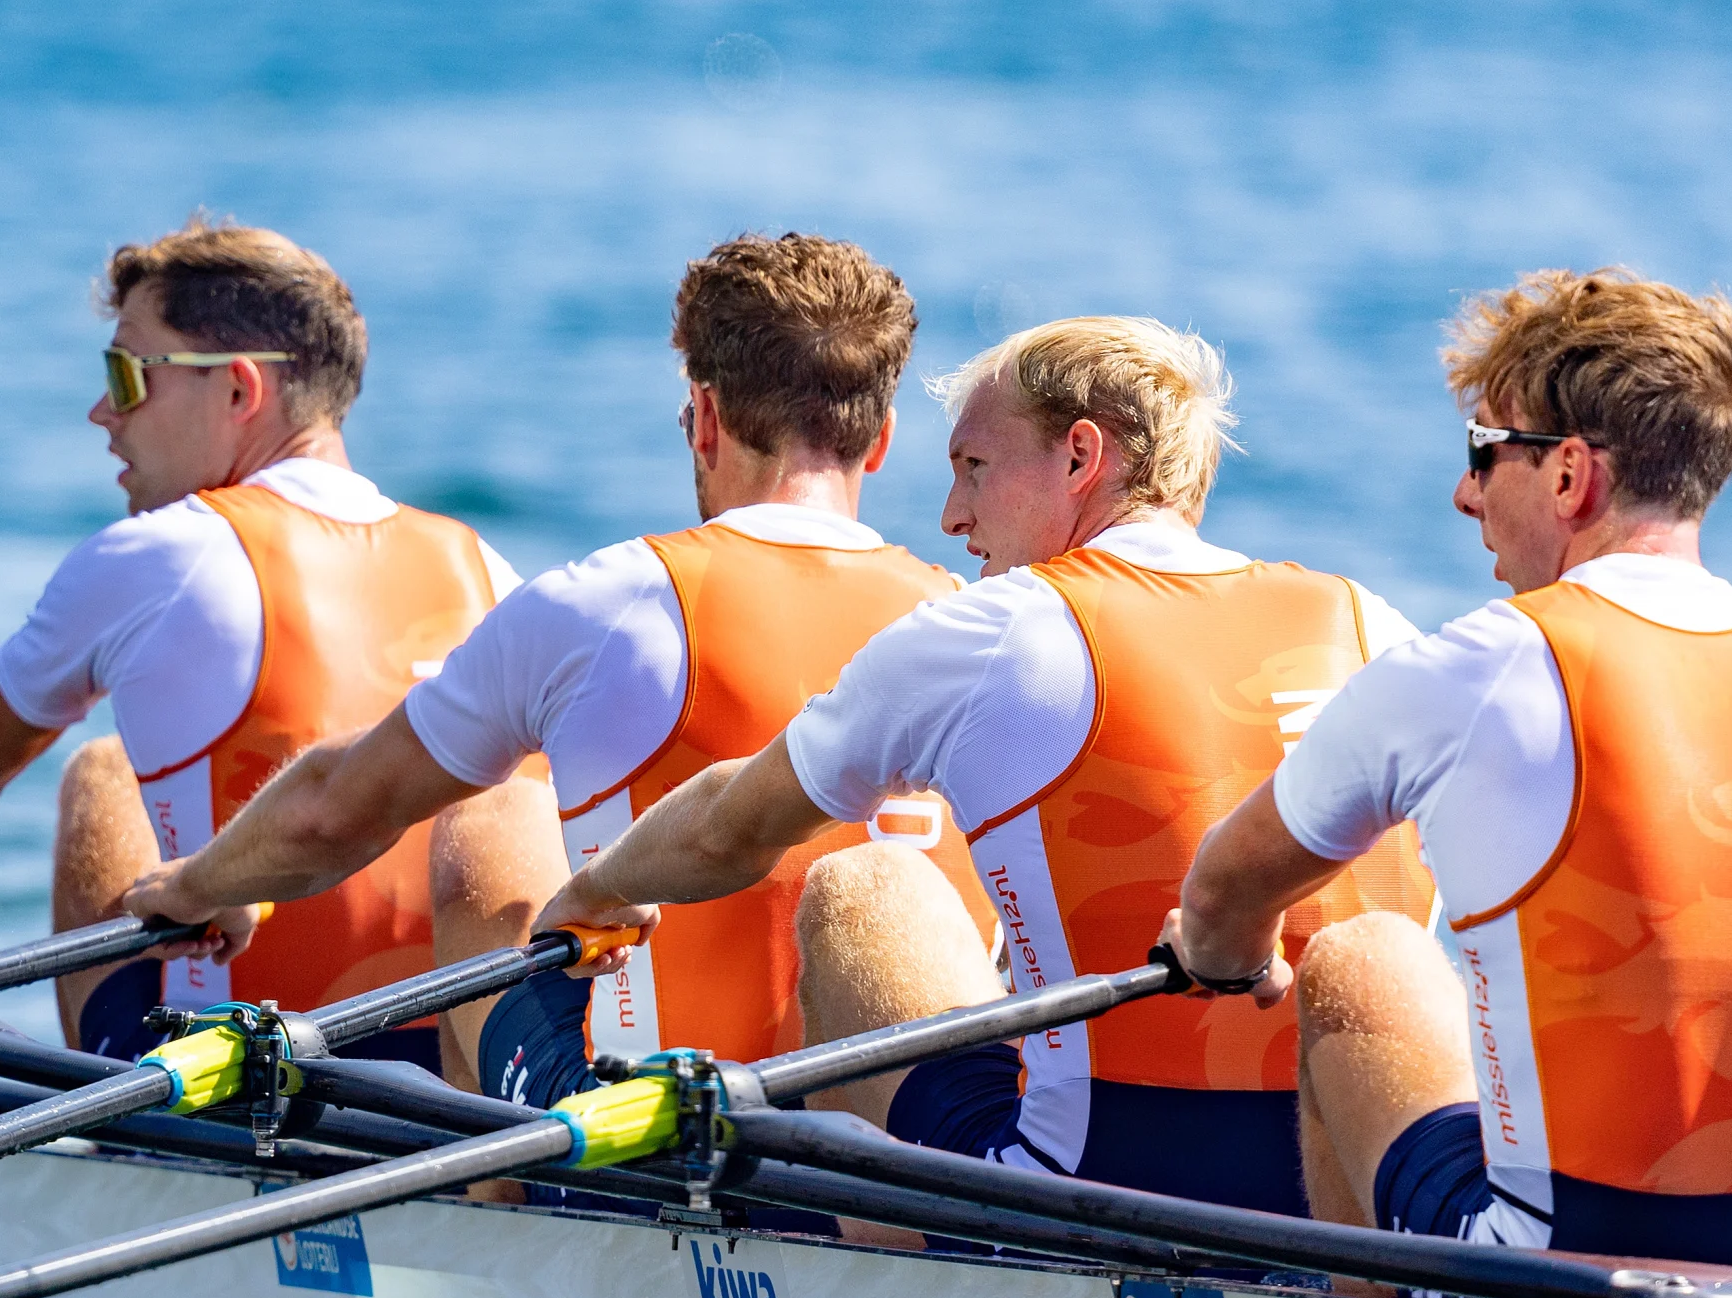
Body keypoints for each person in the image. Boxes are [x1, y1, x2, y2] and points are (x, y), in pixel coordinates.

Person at [537, 316, 1433, 1218]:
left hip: (1089, 1188)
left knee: (872, 886)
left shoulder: (1001, 627)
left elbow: (732, 826)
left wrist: (600, 887)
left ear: (1081, 456)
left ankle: (876, 1295)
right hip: (1349, 1195)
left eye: (975, 468)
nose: (951, 517)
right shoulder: (1373, 625)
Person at [1167, 270, 1732, 1275]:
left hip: (1554, 1276)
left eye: (1485, 453)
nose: (1464, 492)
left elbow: (1224, 891)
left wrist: (1225, 956)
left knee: (1365, 958)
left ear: (1572, 475)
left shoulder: (1472, 670)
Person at [119, 232, 989, 1103]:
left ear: (708, 415)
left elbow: (336, 811)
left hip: (657, 1158)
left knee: (492, 810)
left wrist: (200, 883)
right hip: (903, 1161)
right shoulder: (974, 623)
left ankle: (490, 1203)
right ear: (879, 440)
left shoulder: (606, 602)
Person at [0, 215, 526, 1070]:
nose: (103, 412)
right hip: (471, 1089)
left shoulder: (164, 553)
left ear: (239, 390)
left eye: (129, 374)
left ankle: (118, 1127)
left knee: (104, 773)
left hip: (249, 1092)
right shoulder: (490, 569)